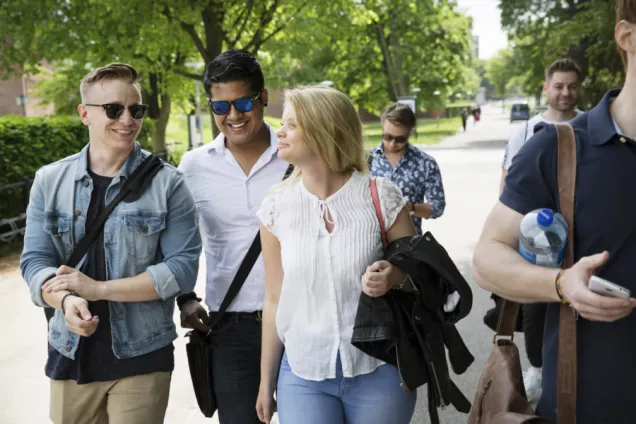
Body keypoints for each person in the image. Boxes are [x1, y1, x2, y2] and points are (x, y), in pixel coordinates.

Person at [473, 2, 636, 422]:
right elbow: (489, 257)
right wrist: (562, 284)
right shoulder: (557, 148)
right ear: (627, 36)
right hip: (591, 406)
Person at [20, 63, 202, 424]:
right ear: (84, 114)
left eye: (136, 110)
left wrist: (97, 289)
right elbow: (35, 262)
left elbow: (181, 269)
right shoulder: (49, 181)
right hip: (70, 353)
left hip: (143, 356)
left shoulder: (170, 185)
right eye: (114, 109)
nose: (127, 120)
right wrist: (67, 300)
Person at [255, 86, 417, 424]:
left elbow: (419, 278)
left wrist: (394, 276)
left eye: (292, 125)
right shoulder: (275, 207)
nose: (280, 132)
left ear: (324, 131)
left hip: (380, 369)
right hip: (302, 373)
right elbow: (273, 298)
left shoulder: (381, 196)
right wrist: (265, 381)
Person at [176, 49, 289, 424]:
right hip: (230, 326)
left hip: (300, 316)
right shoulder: (193, 167)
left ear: (264, 98)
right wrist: (186, 298)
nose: (234, 116)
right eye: (220, 107)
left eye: (243, 102)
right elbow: (176, 239)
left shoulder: (298, 154)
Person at [495, 57, 582, 405]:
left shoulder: (589, 126)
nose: (565, 93)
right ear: (546, 87)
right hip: (533, 241)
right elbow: (506, 185)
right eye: (559, 86)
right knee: (533, 307)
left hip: (578, 238)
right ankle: (538, 372)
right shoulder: (527, 130)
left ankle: (573, 376)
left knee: (574, 305)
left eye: (572, 86)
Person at [369, 102, 446, 235]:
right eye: (387, 137)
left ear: (410, 133)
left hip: (407, 244)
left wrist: (410, 208)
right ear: (382, 129)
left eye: (400, 139)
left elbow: (437, 207)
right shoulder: (366, 160)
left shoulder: (425, 163)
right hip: (370, 241)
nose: (392, 143)